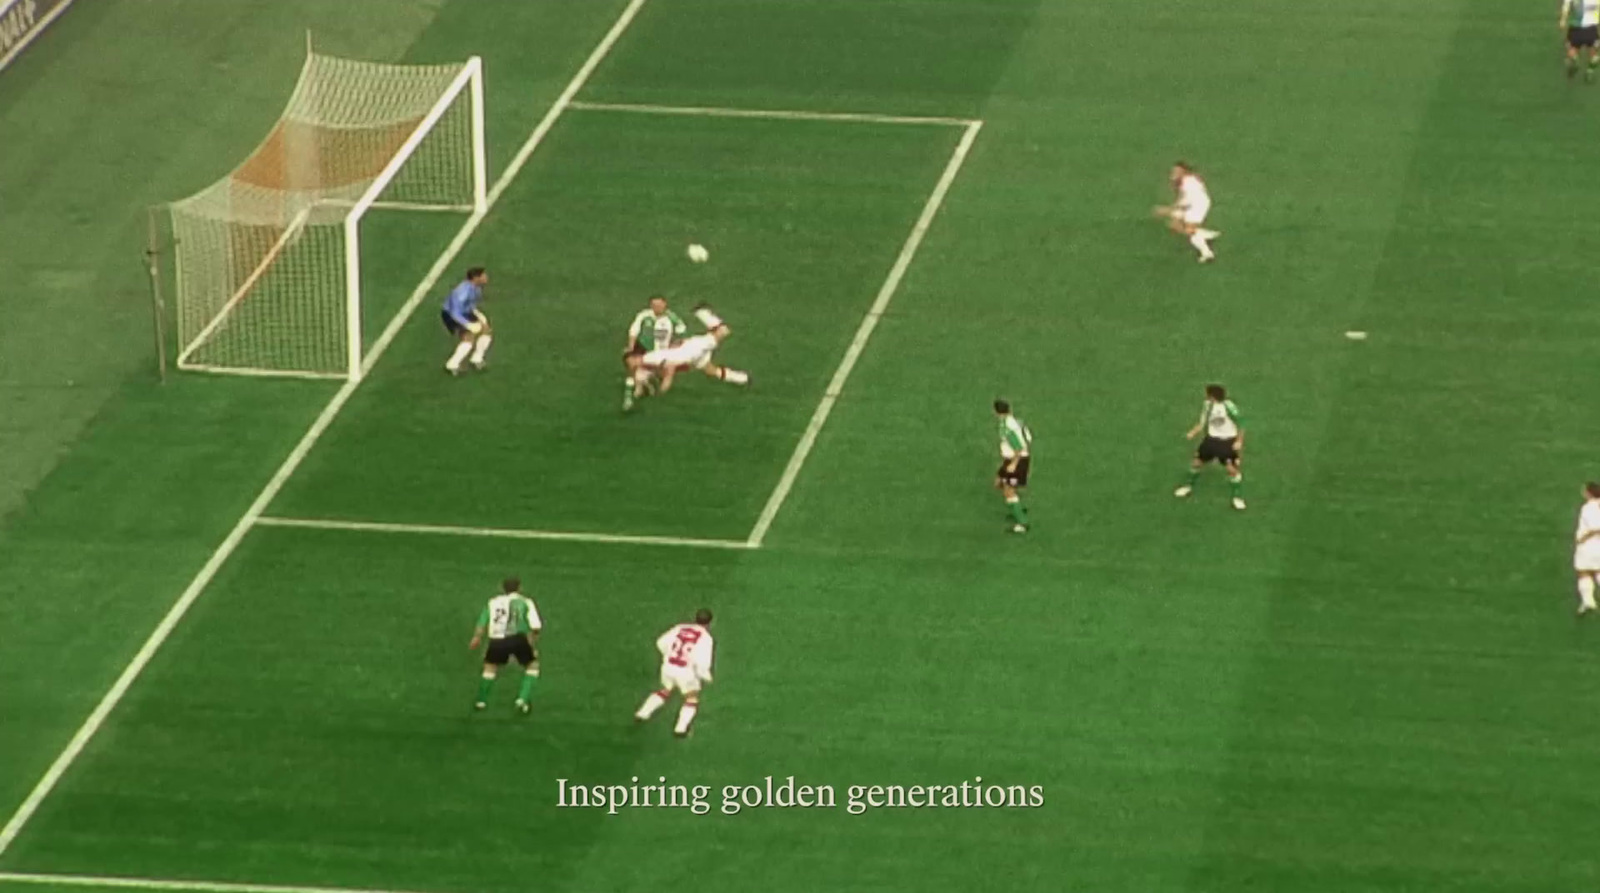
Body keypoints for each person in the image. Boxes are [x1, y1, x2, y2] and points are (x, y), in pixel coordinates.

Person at [623, 305, 749, 410]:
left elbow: (670, 368)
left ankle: (702, 312)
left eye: (632, 362)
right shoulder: (645, 364)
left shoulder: (650, 359)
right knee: (711, 371)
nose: (633, 365)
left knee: (722, 332)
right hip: (690, 357)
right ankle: (742, 378)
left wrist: (663, 388)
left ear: (636, 357)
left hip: (692, 350)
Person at [634, 609, 715, 738]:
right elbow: (703, 662)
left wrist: (668, 656)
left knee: (665, 690)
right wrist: (706, 676)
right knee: (691, 697)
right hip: (685, 672)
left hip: (668, 667)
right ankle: (680, 729)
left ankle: (643, 713)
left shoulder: (680, 627)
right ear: (710, 622)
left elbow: (660, 642)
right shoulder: (706, 638)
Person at [467, 577, 541, 714]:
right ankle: (522, 699)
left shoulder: (493, 602)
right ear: (519, 588)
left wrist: (476, 637)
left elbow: (482, 621)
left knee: (490, 668)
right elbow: (535, 627)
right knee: (532, 666)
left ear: (503, 588)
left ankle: (481, 701)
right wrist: (531, 645)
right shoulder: (526, 602)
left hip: (496, 640)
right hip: (518, 638)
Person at [1174, 384, 1246, 510]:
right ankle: (1188, 487)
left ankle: (1237, 497)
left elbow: (1241, 424)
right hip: (1211, 440)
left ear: (1212, 396)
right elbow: (1202, 422)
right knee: (1196, 463)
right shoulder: (1207, 405)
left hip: (1227, 441)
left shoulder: (1229, 406)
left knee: (1231, 469)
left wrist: (1239, 441)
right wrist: (1193, 432)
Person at [1155, 162, 1220, 263]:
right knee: (1174, 225)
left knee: (1190, 231)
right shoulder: (1187, 180)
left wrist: (1167, 210)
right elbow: (1182, 198)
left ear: (1183, 172)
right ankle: (1203, 234)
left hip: (1198, 206)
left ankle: (1207, 253)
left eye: (1177, 171)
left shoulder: (1188, 184)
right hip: (1193, 204)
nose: (1174, 173)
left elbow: (1186, 202)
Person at [441, 267, 492, 375]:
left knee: (486, 330)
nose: (486, 277)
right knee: (468, 338)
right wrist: (468, 324)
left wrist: (477, 314)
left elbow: (470, 304)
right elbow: (455, 312)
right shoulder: (461, 292)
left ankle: (477, 359)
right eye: (483, 275)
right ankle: (452, 365)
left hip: (465, 311)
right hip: (451, 314)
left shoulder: (476, 287)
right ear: (475, 278)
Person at [993, 399, 1033, 534]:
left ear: (996, 413)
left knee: (1008, 491)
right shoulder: (1018, 422)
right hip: (1013, 460)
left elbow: (1018, 447)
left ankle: (1022, 523)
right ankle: (1016, 508)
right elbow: (1028, 438)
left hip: (1015, 460)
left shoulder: (1005, 427)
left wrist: (1014, 463)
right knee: (998, 483)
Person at [1574, 483, 1600, 614]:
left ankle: (1588, 601)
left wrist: (1583, 538)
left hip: (1590, 546)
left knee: (1583, 571)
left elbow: (1596, 527)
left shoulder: (1589, 507)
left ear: (1589, 493)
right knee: (1597, 571)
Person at [1563, 0, 1600, 81]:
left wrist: (1563, 20)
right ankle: (1590, 71)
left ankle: (1575, 58)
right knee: (1594, 54)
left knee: (1570, 46)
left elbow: (1566, 7)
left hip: (1576, 28)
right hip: (1591, 29)